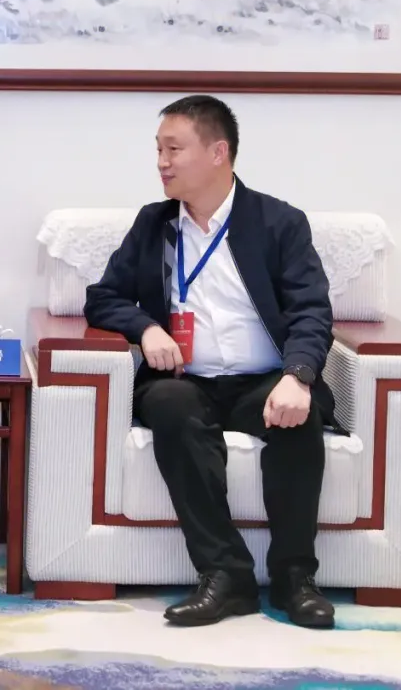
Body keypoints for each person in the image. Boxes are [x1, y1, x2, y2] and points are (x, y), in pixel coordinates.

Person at [84, 94, 338, 629]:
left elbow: (312, 310)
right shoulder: (154, 224)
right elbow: (103, 297)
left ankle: (295, 577)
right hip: (186, 380)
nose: (161, 162)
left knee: (298, 417)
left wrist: (298, 376)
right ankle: (225, 577)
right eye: (158, 150)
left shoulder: (279, 222)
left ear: (218, 152)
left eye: (173, 149)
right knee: (169, 405)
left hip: (263, 379)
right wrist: (146, 328)